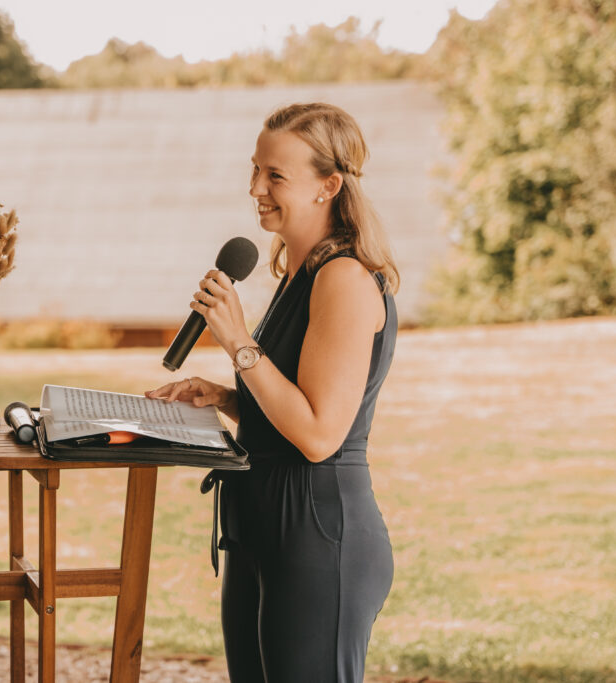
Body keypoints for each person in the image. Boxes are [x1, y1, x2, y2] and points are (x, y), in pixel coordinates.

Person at [146, 102, 399, 683]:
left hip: (315, 528)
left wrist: (236, 341)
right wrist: (226, 397)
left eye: (275, 175)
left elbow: (317, 435)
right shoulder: (298, 270)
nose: (256, 187)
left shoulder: (344, 278)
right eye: (255, 170)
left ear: (328, 186)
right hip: (261, 521)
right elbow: (296, 397)